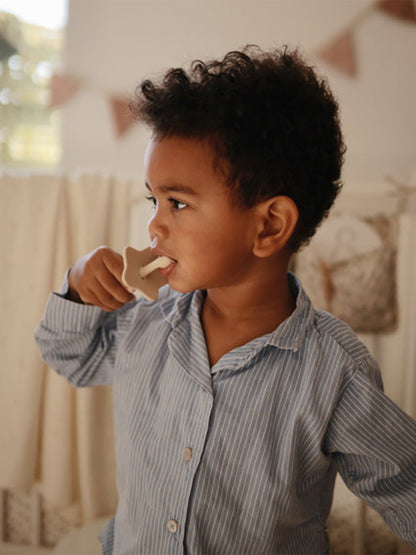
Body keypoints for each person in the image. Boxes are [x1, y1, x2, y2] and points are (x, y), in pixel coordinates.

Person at [35, 46, 416, 554]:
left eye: (178, 202)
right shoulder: (141, 323)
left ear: (269, 225)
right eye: (154, 199)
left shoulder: (333, 371)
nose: (154, 224)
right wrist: (79, 285)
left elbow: (405, 487)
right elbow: (69, 356)